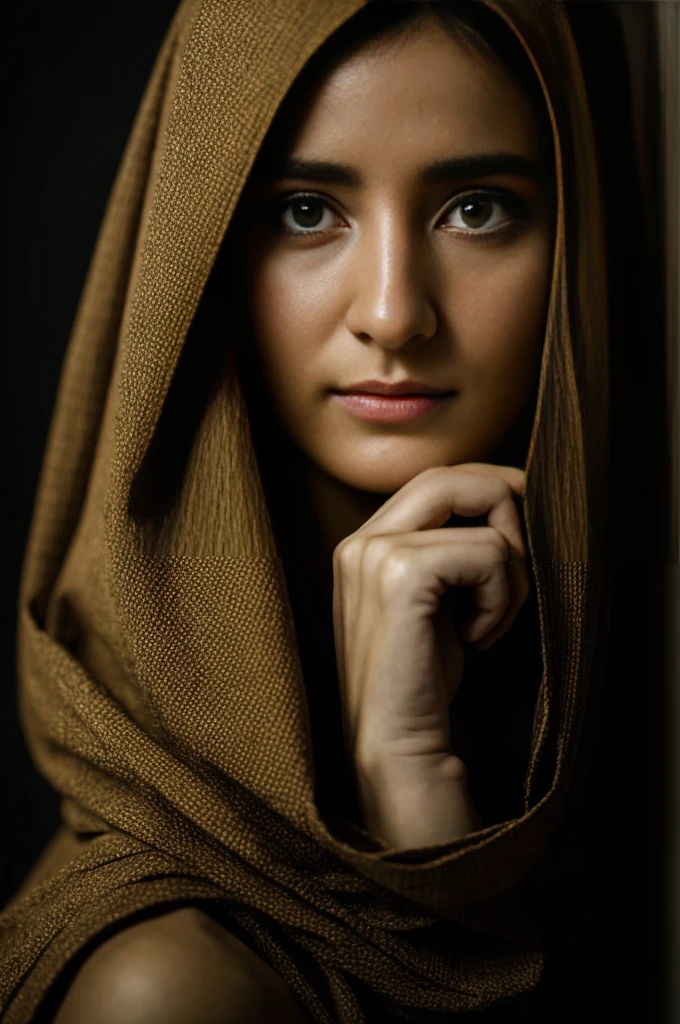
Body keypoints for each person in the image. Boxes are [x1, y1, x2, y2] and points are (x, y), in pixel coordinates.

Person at [0, 2, 611, 1022]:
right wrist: (409, 787)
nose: (390, 312)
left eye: (474, 208)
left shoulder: (586, 734)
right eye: (303, 211)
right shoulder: (165, 987)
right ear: (198, 256)